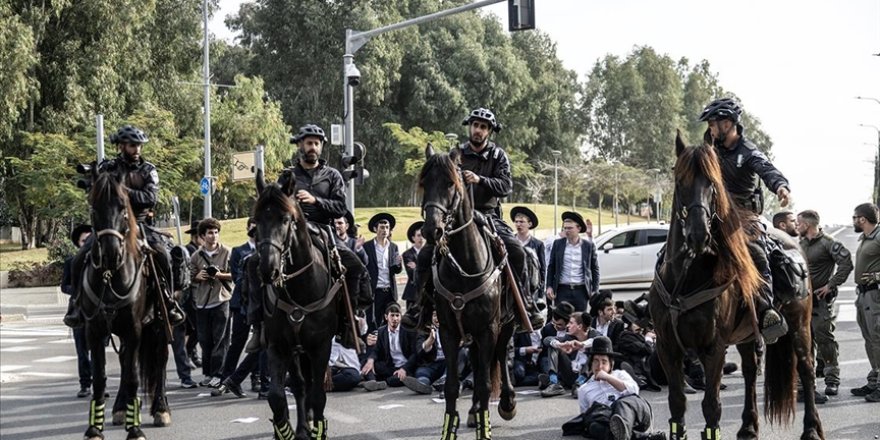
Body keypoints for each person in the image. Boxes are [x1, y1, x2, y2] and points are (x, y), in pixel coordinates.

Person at [403, 107, 542, 332]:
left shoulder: (499, 156)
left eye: (483, 127)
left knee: (516, 251)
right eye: (475, 125)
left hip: (488, 215)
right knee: (427, 254)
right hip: (456, 218)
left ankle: (524, 304)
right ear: (470, 127)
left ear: (489, 132)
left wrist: (480, 180)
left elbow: (506, 186)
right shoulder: (456, 155)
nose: (478, 130)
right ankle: (420, 308)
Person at [248, 123, 371, 352]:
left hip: (324, 232)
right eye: (308, 143)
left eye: (316, 143)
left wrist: (316, 201)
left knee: (355, 266)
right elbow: (273, 208)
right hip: (290, 233)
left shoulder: (332, 176)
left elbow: (340, 207)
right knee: (254, 263)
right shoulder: (287, 177)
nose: (312, 147)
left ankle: (348, 321)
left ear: (321, 147)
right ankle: (258, 325)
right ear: (300, 146)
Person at [64, 124, 186, 328]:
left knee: (163, 255)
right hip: (110, 225)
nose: (137, 149)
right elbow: (96, 195)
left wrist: (122, 192)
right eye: (132, 145)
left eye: (139, 145)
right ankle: (76, 305)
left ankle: (168, 301)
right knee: (78, 258)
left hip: (139, 224)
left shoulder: (149, 170)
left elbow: (150, 197)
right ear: (121, 146)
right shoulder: (108, 167)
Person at [699, 98, 790, 344]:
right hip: (714, 216)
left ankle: (767, 310)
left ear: (728, 123)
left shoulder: (748, 152)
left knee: (756, 252)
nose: (711, 129)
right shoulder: (710, 147)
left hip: (745, 218)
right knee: (679, 246)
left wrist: (780, 187)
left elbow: (768, 170)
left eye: (714, 124)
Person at [796, 210, 852, 397]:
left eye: (799, 223)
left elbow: (846, 263)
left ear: (808, 225)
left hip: (821, 301)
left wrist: (831, 285)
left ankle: (832, 379)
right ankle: (807, 381)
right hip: (803, 300)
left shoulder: (828, 243)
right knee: (805, 340)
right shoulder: (801, 243)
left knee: (825, 339)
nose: (797, 226)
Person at [575, 336, 666, 440]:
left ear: (611, 364)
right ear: (591, 364)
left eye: (604, 362)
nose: (599, 366)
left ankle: (623, 430)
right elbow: (586, 415)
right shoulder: (584, 389)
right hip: (609, 421)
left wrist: (608, 378)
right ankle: (641, 437)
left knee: (621, 403)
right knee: (593, 426)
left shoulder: (620, 374)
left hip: (637, 416)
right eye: (596, 361)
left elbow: (634, 390)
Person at [189, 217, 233, 388]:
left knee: (220, 340)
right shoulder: (196, 256)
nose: (213, 236)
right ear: (202, 236)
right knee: (204, 340)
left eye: (216, 233)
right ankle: (208, 373)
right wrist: (198, 277)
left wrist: (219, 275)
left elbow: (234, 274)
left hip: (221, 300)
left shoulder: (227, 252)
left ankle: (218, 374)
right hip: (202, 303)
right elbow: (189, 277)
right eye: (210, 233)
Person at [219, 218, 258, 385]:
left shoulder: (269, 250)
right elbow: (237, 277)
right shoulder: (238, 251)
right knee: (238, 342)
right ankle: (226, 376)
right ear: (248, 229)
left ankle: (256, 377)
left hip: (261, 303)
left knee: (259, 342)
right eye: (253, 227)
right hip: (242, 302)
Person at [850, 203, 880, 402]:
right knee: (870, 339)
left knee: (878, 339)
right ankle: (874, 379)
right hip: (863, 295)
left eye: (854, 217)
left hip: (875, 295)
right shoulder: (866, 237)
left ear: (862, 219)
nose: (853, 221)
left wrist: (878, 275)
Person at [61, 224, 94, 397]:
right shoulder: (72, 261)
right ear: (78, 243)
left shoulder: (100, 262)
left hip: (98, 311)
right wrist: (78, 290)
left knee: (98, 351)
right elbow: (64, 286)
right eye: (83, 241)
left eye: (90, 240)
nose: (87, 244)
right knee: (82, 351)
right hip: (79, 309)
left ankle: (99, 383)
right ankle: (85, 384)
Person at [546, 211, 600, 313]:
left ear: (578, 228)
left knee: (579, 323)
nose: (567, 231)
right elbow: (551, 267)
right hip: (562, 290)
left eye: (570, 228)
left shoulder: (588, 246)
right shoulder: (558, 244)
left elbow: (595, 269)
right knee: (562, 321)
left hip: (581, 291)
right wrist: (549, 286)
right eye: (565, 228)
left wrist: (595, 290)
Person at [360, 303, 419, 389]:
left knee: (393, 381)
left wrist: (404, 369)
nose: (395, 319)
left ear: (400, 317)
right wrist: (371, 360)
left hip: (406, 366)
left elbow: (415, 354)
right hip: (390, 366)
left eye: (397, 315)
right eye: (392, 315)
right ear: (386, 317)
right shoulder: (381, 331)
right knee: (366, 363)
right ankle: (373, 382)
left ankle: (385, 381)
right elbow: (377, 350)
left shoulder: (408, 330)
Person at [363, 213, 403, 332]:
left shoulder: (393, 247)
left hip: (389, 291)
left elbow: (396, 270)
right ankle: (373, 346)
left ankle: (388, 346)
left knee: (390, 322)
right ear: (375, 229)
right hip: (375, 290)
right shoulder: (367, 246)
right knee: (373, 321)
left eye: (387, 227)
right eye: (382, 227)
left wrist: (399, 264)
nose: (385, 230)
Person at [403, 311, 448, 395]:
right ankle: (423, 385)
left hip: (447, 363)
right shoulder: (424, 330)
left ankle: (444, 381)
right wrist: (430, 340)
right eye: (434, 315)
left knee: (454, 365)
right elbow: (419, 351)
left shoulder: (451, 329)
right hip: (431, 364)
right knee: (421, 372)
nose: (437, 318)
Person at [511, 206, 547, 302]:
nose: (518, 224)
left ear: (529, 224)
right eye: (516, 221)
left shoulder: (538, 244)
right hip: (512, 286)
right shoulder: (510, 242)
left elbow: (542, 270)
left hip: (531, 289)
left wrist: (540, 294)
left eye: (522, 222)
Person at [402, 221, 425, 310]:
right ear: (413, 238)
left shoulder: (431, 253)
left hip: (427, 294)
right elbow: (412, 274)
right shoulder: (407, 254)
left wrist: (416, 267)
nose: (421, 238)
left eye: (423, 235)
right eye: (419, 235)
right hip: (413, 294)